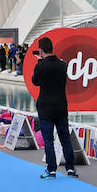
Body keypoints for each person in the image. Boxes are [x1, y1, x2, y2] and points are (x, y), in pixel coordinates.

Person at [31, 36, 77, 179]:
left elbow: (35, 82)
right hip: (61, 106)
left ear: (40, 50)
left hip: (45, 107)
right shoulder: (63, 65)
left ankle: (51, 170)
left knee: (48, 140)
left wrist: (39, 63)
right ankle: (70, 168)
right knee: (65, 139)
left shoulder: (40, 65)